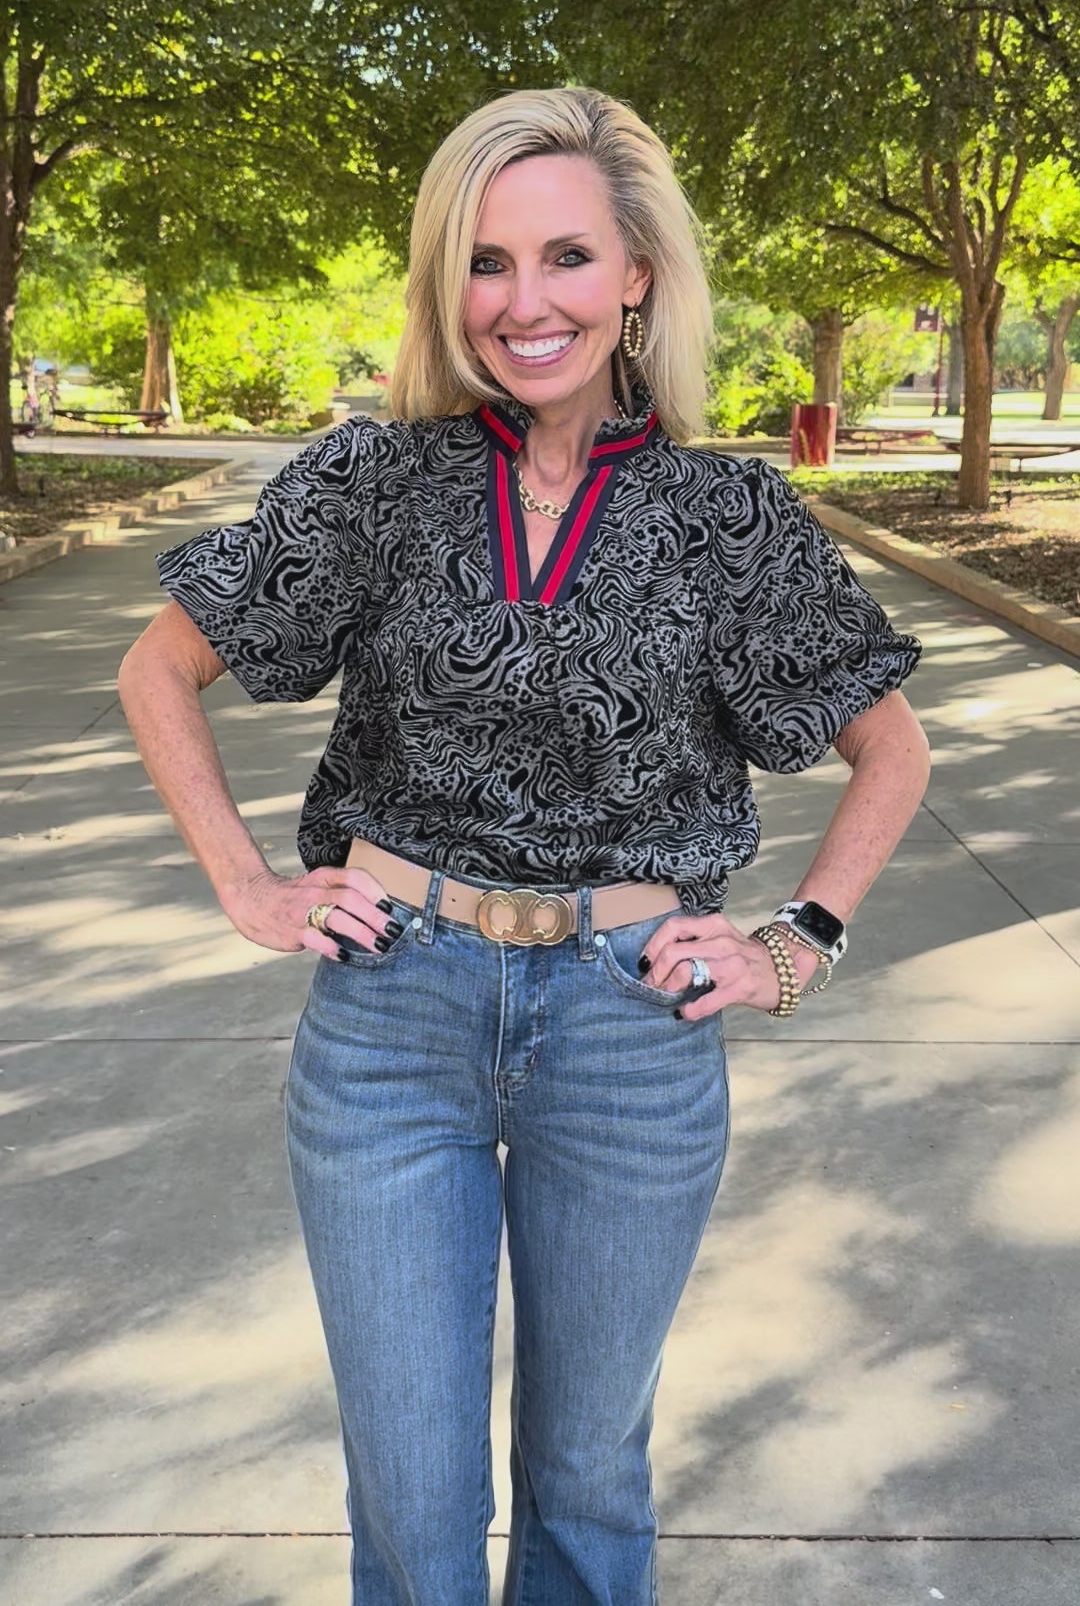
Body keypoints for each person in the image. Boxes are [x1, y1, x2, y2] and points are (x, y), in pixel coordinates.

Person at [117, 85, 931, 1605]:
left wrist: (792, 946)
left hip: (630, 1029)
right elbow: (159, 667)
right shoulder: (374, 482)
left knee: (587, 1484)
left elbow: (890, 744)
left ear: (636, 277)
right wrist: (247, 884)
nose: (523, 301)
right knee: (415, 1500)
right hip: (391, 1023)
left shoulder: (726, 515)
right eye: (485, 262)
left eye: (565, 257)